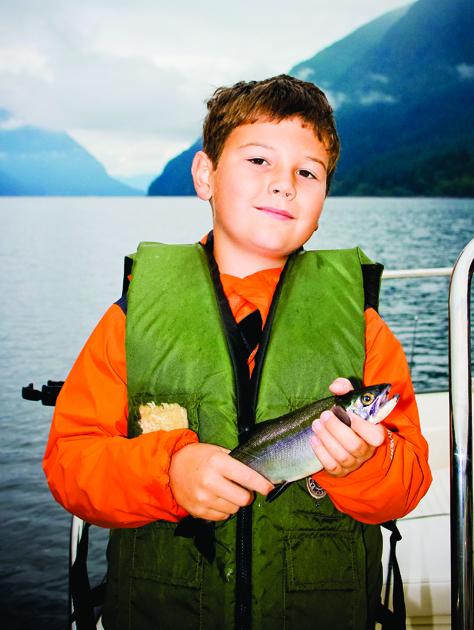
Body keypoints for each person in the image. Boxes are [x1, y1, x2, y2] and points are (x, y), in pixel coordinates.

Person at [43, 74, 431, 629]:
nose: (284, 185)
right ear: (206, 175)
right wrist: (167, 472)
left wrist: (367, 464)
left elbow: (408, 482)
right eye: (258, 161)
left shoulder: (365, 330)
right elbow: (69, 464)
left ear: (325, 193)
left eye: (308, 172)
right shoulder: (129, 320)